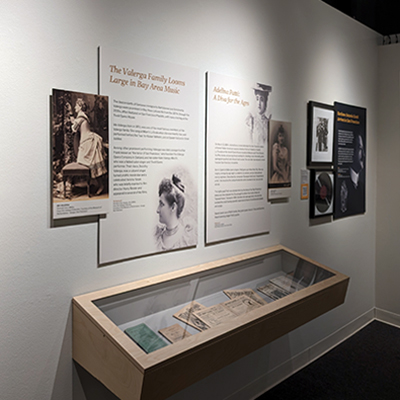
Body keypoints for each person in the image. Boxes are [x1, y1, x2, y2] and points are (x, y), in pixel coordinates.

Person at [72, 98, 107, 195]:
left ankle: (100, 185)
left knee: (91, 162)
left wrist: (72, 120)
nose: (75, 107)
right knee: (87, 162)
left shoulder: (81, 117)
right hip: (86, 141)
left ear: (80, 107)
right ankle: (95, 183)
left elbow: (74, 129)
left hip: (88, 141)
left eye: (76, 106)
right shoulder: (82, 117)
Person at [155, 175, 196, 251]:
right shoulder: (156, 235)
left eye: (161, 204)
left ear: (173, 207)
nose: (157, 210)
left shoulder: (187, 238)